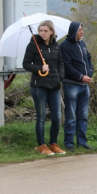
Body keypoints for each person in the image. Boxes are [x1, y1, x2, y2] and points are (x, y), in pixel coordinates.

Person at [22, 20, 66, 155]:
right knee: (41, 117)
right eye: (40, 30)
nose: (42, 33)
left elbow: (61, 63)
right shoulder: (33, 45)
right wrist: (40, 68)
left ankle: (53, 144)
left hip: (54, 86)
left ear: (51, 32)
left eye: (45, 31)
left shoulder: (56, 46)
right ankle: (42, 146)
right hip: (39, 86)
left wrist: (60, 76)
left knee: (57, 117)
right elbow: (26, 64)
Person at [60, 21, 96, 152]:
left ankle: (82, 142)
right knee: (70, 116)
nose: (82, 32)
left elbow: (89, 59)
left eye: (82, 29)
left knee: (83, 115)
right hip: (72, 85)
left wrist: (90, 72)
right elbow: (67, 66)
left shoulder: (82, 44)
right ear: (73, 31)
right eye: (79, 30)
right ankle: (69, 143)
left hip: (84, 86)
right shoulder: (64, 46)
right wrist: (81, 76)